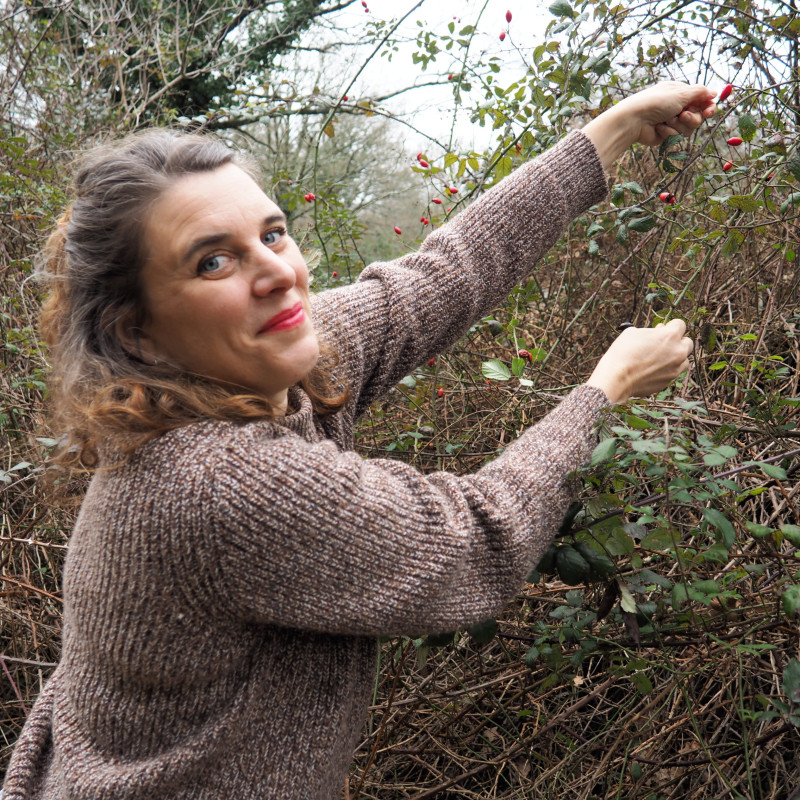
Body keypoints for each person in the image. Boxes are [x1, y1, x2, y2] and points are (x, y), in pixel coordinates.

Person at [2, 81, 714, 799]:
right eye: (212, 261)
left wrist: (610, 133)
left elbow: (445, 274)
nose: (278, 273)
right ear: (136, 330)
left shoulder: (262, 369)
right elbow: (475, 541)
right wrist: (603, 392)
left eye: (272, 234)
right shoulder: (216, 483)